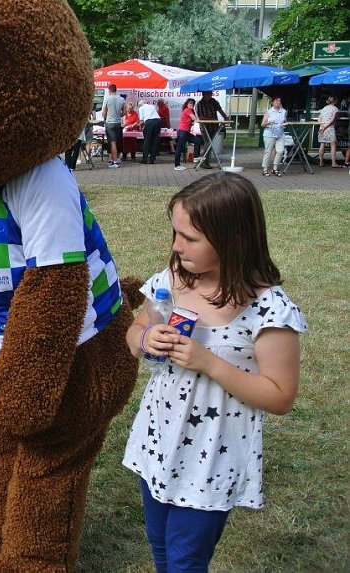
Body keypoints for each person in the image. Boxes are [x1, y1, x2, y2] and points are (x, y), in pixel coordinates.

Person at [123, 172, 306, 573]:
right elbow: (135, 331)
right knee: (160, 546)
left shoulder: (269, 310)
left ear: (233, 239)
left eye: (189, 238)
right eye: (175, 233)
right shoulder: (173, 281)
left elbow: (280, 396)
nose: (176, 246)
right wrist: (146, 338)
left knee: (186, 560)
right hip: (159, 440)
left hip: (211, 456)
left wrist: (209, 362)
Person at [195, 91, 229, 169]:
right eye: (209, 93)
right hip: (205, 127)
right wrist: (211, 118)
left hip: (214, 126)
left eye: (211, 93)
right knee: (208, 143)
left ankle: (205, 161)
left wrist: (225, 117)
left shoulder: (213, 101)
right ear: (204, 94)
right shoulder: (199, 104)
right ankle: (204, 161)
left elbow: (220, 110)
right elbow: (201, 117)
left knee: (210, 143)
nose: (211, 94)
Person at [261, 96, 287, 177]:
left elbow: (284, 120)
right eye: (275, 101)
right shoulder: (269, 112)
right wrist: (268, 123)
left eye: (279, 101)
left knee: (280, 151)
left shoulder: (283, 111)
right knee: (268, 151)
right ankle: (265, 169)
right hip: (269, 134)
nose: (277, 102)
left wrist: (285, 123)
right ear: (272, 103)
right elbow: (262, 124)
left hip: (280, 133)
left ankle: (275, 168)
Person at [173, 98, 200, 171]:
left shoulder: (191, 110)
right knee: (179, 148)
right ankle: (177, 165)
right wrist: (197, 120)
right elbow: (194, 118)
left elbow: (193, 120)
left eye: (193, 103)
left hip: (186, 132)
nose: (192, 105)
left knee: (197, 141)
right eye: (190, 103)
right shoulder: (187, 110)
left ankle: (196, 157)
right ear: (187, 104)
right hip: (182, 131)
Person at [101, 83, 124, 168]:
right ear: (116, 90)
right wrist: (118, 115)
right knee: (118, 142)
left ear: (109, 90)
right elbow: (124, 112)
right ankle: (116, 159)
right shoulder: (122, 99)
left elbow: (103, 113)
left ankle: (114, 162)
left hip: (110, 123)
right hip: (118, 123)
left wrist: (107, 115)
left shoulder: (107, 99)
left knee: (112, 143)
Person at [317, 96, 340, 168]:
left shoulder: (324, 108)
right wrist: (326, 127)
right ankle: (333, 163)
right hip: (329, 128)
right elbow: (332, 120)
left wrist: (322, 126)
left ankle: (321, 162)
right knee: (333, 145)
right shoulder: (335, 109)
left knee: (322, 144)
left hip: (322, 127)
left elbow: (319, 119)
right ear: (335, 101)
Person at [138, 99, 162, 164]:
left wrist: (140, 127)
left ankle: (144, 159)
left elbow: (141, 121)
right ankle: (152, 159)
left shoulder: (141, 108)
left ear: (140, 105)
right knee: (155, 140)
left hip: (149, 122)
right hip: (158, 121)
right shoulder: (152, 106)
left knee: (147, 140)